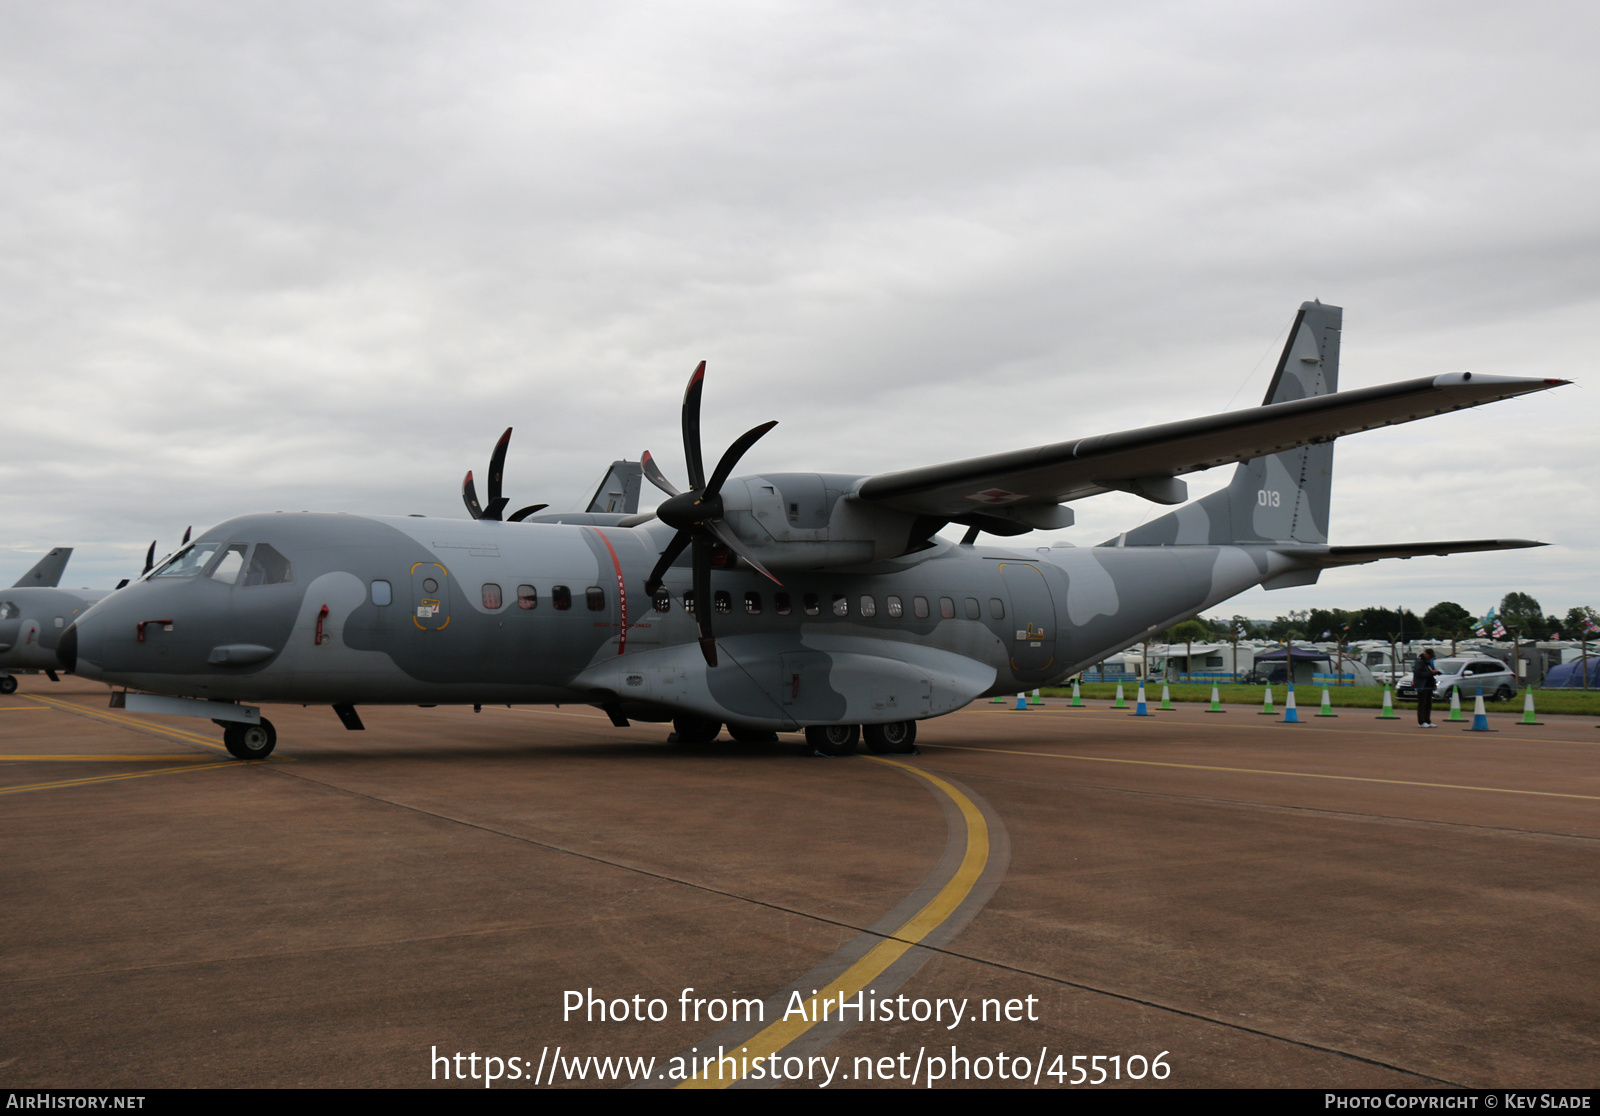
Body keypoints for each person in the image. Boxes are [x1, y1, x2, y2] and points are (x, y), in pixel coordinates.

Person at [1413, 648, 1441, 727]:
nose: (1431, 658)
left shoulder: (1428, 662)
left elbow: (1429, 672)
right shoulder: (1419, 662)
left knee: (1428, 704)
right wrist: (1430, 673)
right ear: (1426, 654)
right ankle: (1421, 722)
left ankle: (1427, 720)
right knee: (1422, 704)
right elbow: (1418, 673)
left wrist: (1435, 672)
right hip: (1422, 686)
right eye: (1430, 656)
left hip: (1429, 685)